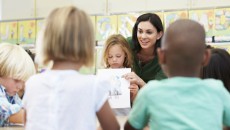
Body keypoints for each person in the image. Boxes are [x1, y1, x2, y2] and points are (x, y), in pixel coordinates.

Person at [22, 6, 120, 130]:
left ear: (47, 41)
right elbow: (113, 128)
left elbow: (28, 124)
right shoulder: (93, 84)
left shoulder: (32, 84)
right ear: (87, 45)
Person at [124, 19, 230, 130]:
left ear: (161, 56)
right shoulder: (217, 90)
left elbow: (130, 128)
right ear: (206, 57)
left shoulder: (150, 92)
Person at [123, 13, 166, 88]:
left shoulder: (166, 55)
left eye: (149, 32)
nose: (143, 36)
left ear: (159, 34)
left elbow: (160, 91)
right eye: (140, 31)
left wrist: (139, 81)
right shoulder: (127, 44)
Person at [102, 34, 139, 116]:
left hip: (126, 117)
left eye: (118, 56)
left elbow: (136, 104)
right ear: (106, 57)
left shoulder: (130, 75)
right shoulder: (103, 76)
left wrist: (135, 93)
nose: (114, 59)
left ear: (125, 54)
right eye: (110, 57)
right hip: (107, 117)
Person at [0, 43, 36, 126]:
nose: (20, 87)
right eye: (16, 80)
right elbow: (7, 112)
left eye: (23, 82)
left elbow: (22, 107)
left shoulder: (10, 95)